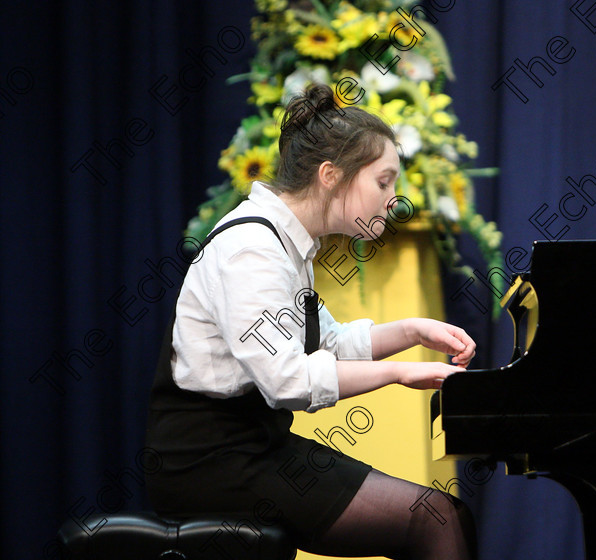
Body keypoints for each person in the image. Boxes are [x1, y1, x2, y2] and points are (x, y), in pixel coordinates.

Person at [145, 83, 478, 560]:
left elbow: (333, 344)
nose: (394, 199)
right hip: (209, 462)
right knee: (436, 519)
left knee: (449, 516)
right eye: (383, 182)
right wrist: (400, 373)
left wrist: (412, 332)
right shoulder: (252, 249)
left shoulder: (284, 241)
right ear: (330, 175)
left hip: (254, 446)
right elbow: (288, 381)